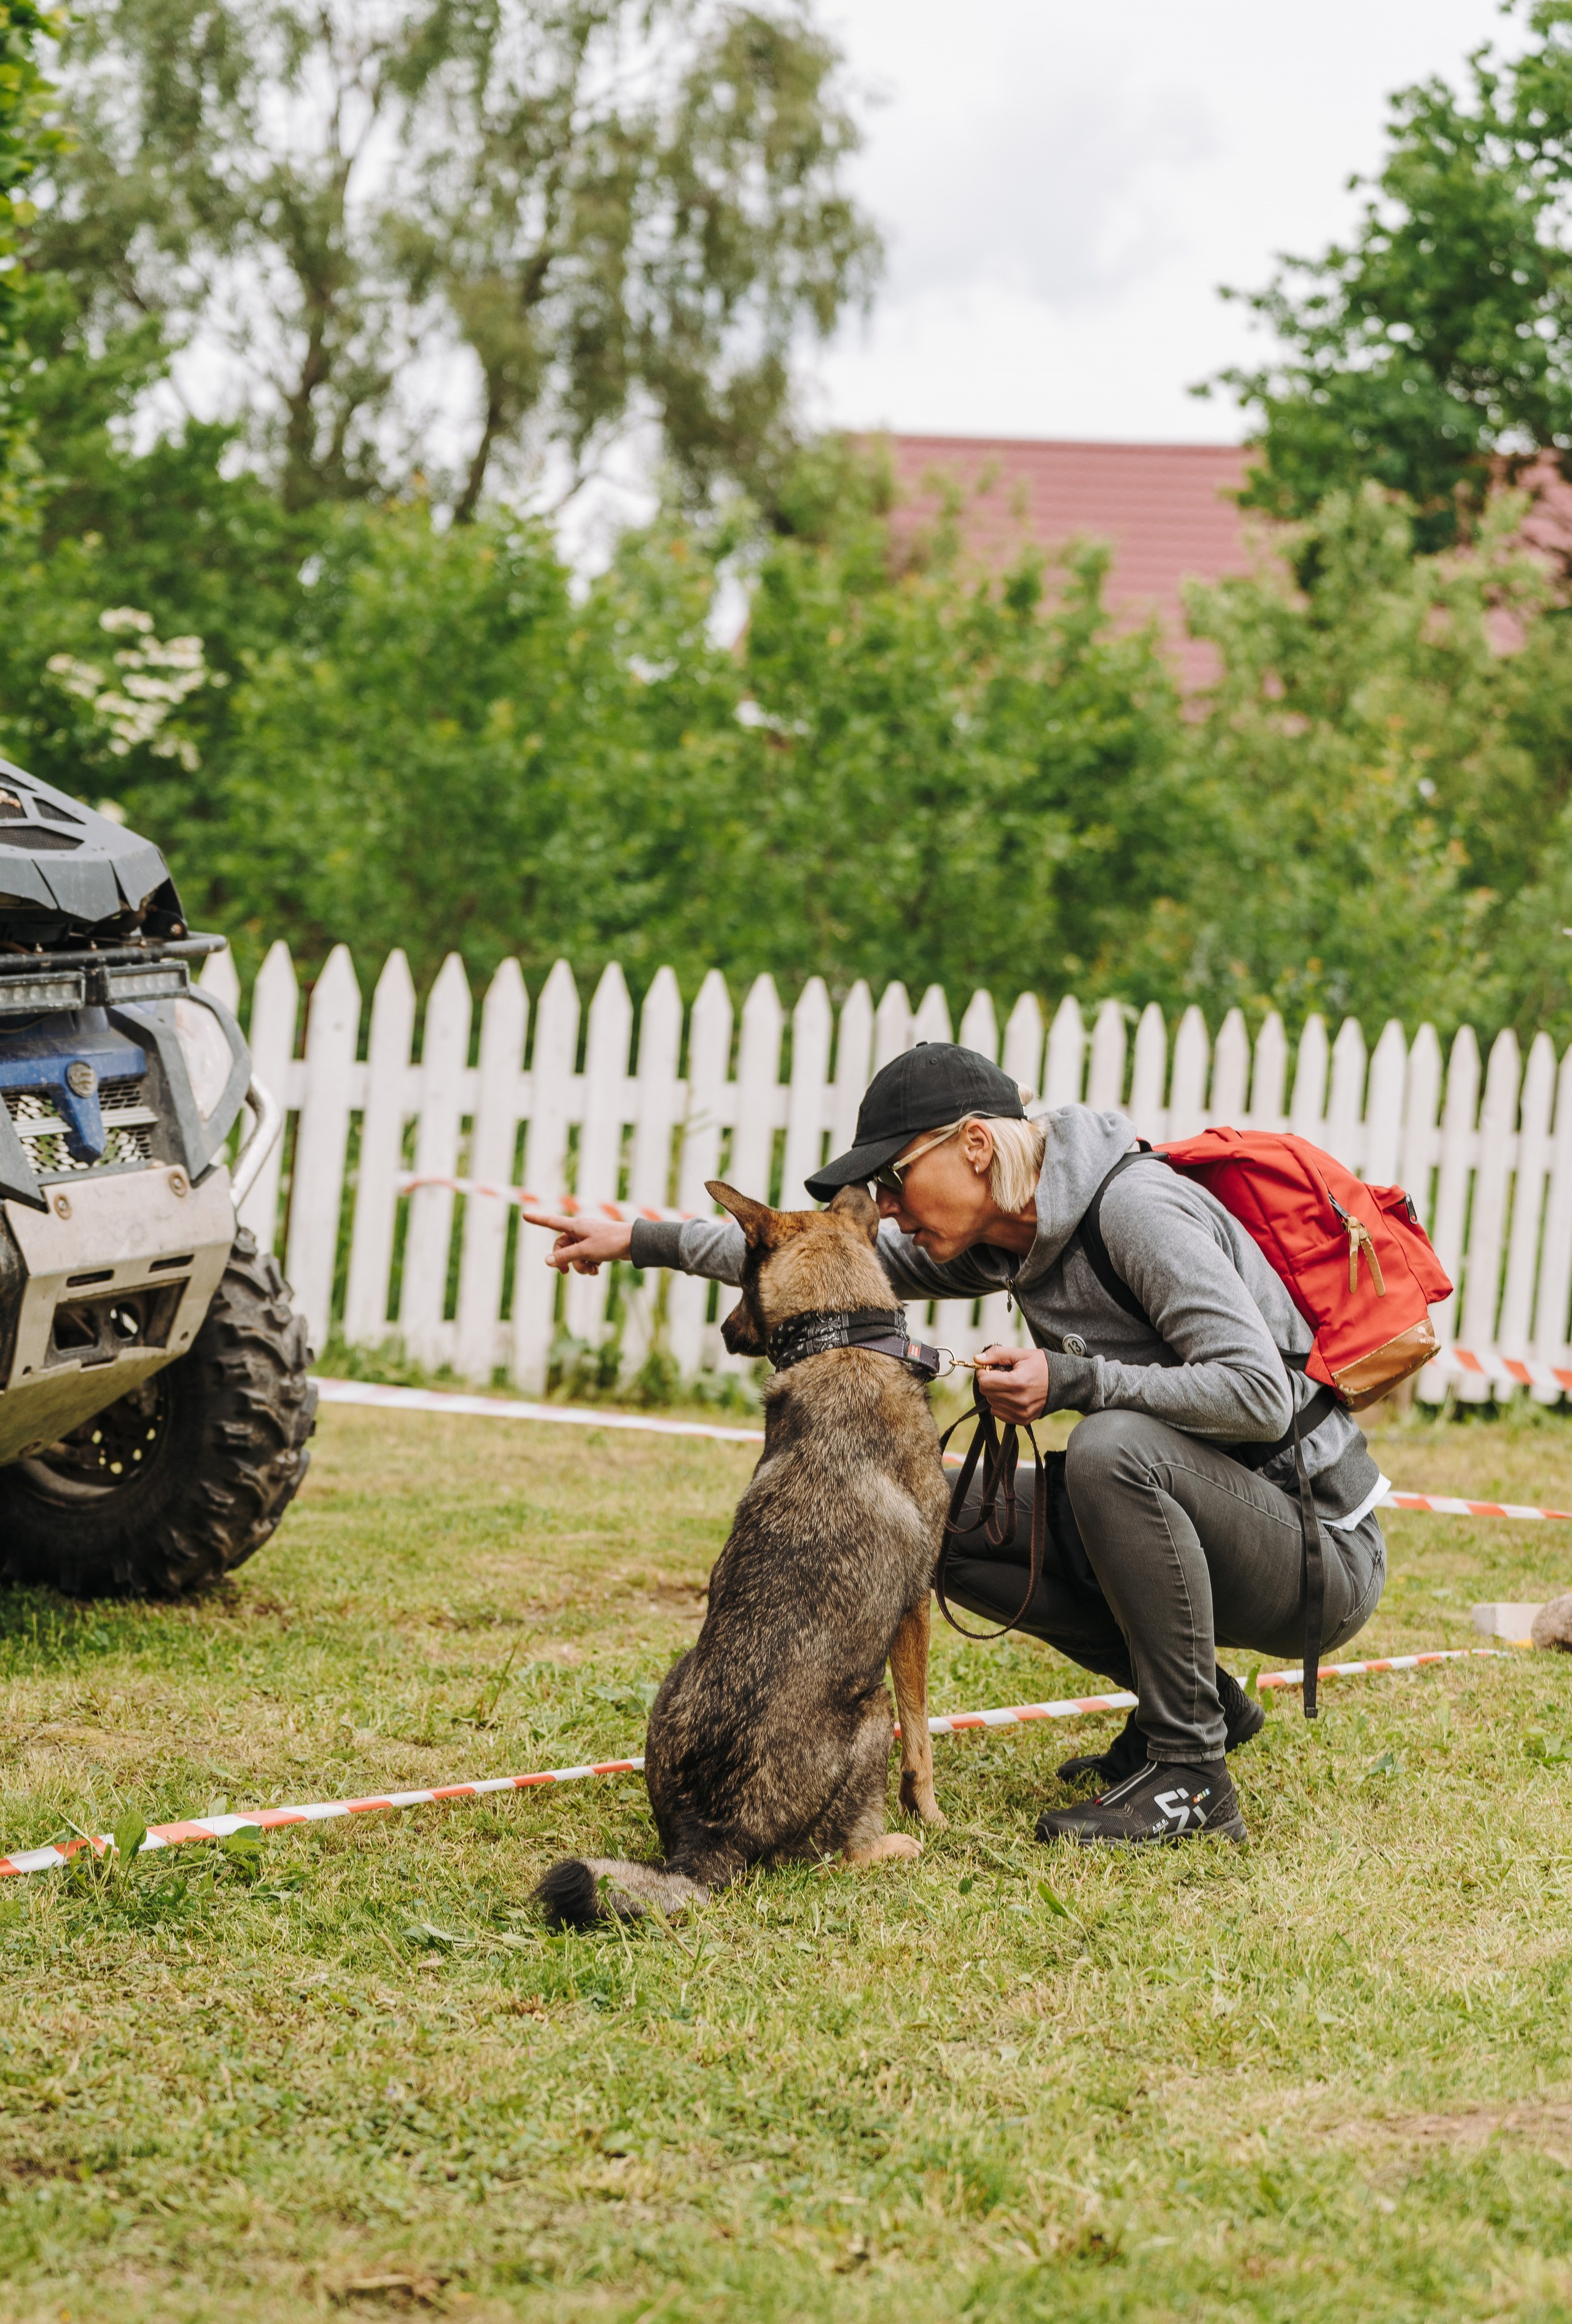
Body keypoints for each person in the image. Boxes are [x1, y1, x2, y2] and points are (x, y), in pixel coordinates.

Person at [523, 1043, 1388, 1848]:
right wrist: (639, 1241)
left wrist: (1073, 1381)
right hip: (1213, 1524)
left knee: (1112, 1447)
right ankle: (1201, 1708)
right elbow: (814, 1252)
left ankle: (1191, 1775)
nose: (887, 1208)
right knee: (933, 1517)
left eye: (895, 1179)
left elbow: (1259, 1395)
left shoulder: (1134, 1210)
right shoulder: (1003, 1243)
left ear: (976, 1146)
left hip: (1316, 1554)